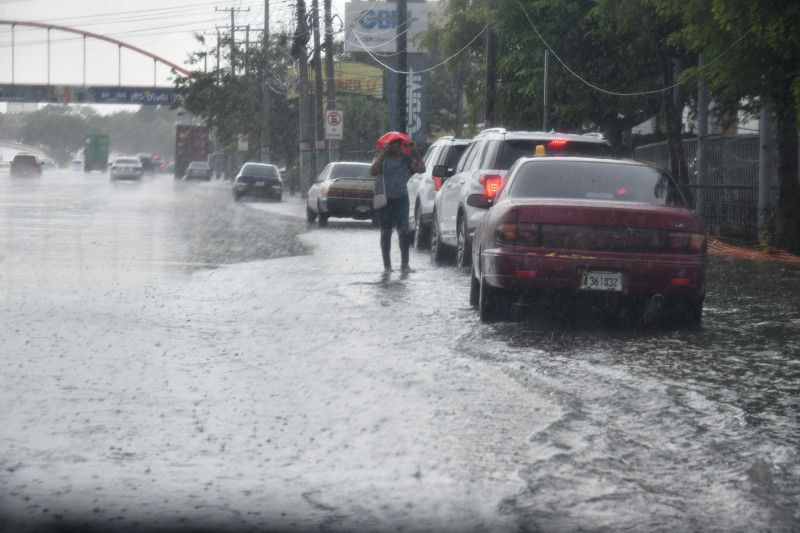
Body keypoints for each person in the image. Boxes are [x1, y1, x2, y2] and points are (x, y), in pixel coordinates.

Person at [370, 138, 425, 273]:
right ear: (389, 145)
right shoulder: (381, 157)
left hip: (401, 199)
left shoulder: (405, 158)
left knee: (404, 231)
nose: (398, 146)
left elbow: (422, 169)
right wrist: (382, 153)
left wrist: (415, 152)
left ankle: (404, 264)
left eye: (399, 144)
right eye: (394, 144)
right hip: (386, 200)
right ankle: (387, 266)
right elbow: (373, 171)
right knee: (386, 232)